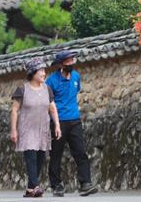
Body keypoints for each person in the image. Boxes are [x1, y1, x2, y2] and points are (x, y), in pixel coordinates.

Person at [47, 50, 98, 197]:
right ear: (61, 64)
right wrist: (54, 122)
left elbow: (76, 91)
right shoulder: (51, 81)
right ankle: (56, 184)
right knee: (56, 154)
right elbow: (48, 102)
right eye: (68, 61)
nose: (71, 63)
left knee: (80, 152)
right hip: (59, 121)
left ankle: (85, 183)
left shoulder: (76, 76)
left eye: (72, 60)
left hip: (75, 120)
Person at [10, 58, 62, 198]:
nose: (44, 73)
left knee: (40, 159)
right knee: (31, 158)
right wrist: (14, 130)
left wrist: (57, 125)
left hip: (42, 129)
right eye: (41, 71)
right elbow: (14, 110)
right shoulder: (22, 89)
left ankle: (30, 189)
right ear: (33, 73)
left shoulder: (47, 89)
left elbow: (52, 108)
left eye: (44, 71)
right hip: (27, 129)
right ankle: (36, 186)